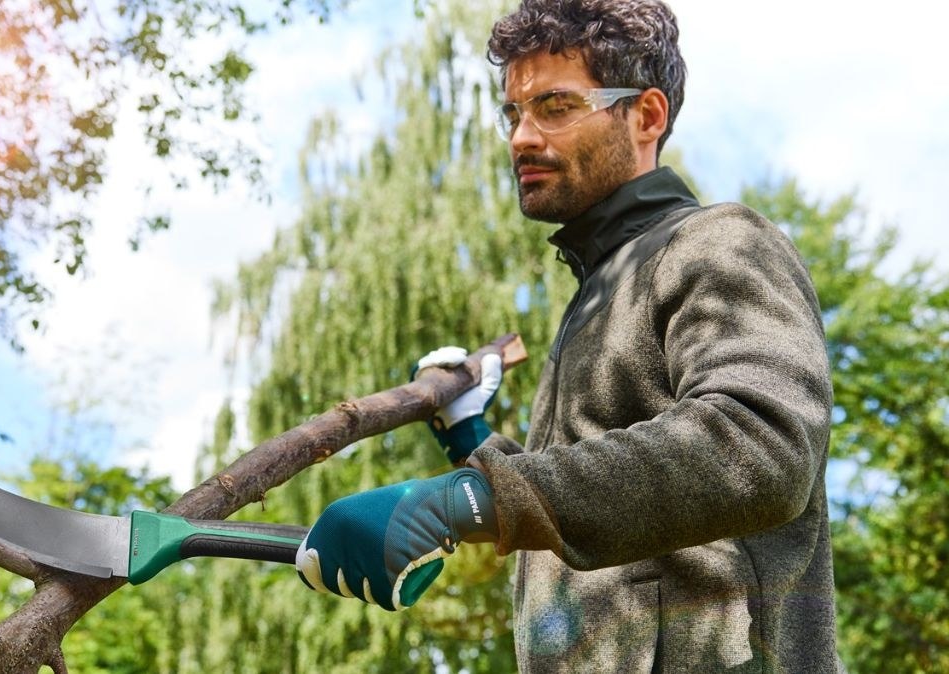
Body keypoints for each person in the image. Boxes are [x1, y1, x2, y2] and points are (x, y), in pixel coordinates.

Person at [294, 1, 838, 671]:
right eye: (513, 113)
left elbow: (761, 445)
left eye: (554, 107)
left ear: (646, 116)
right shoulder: (599, 295)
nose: (521, 137)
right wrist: (474, 442)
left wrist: (465, 501)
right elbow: (594, 512)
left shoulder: (718, 240)